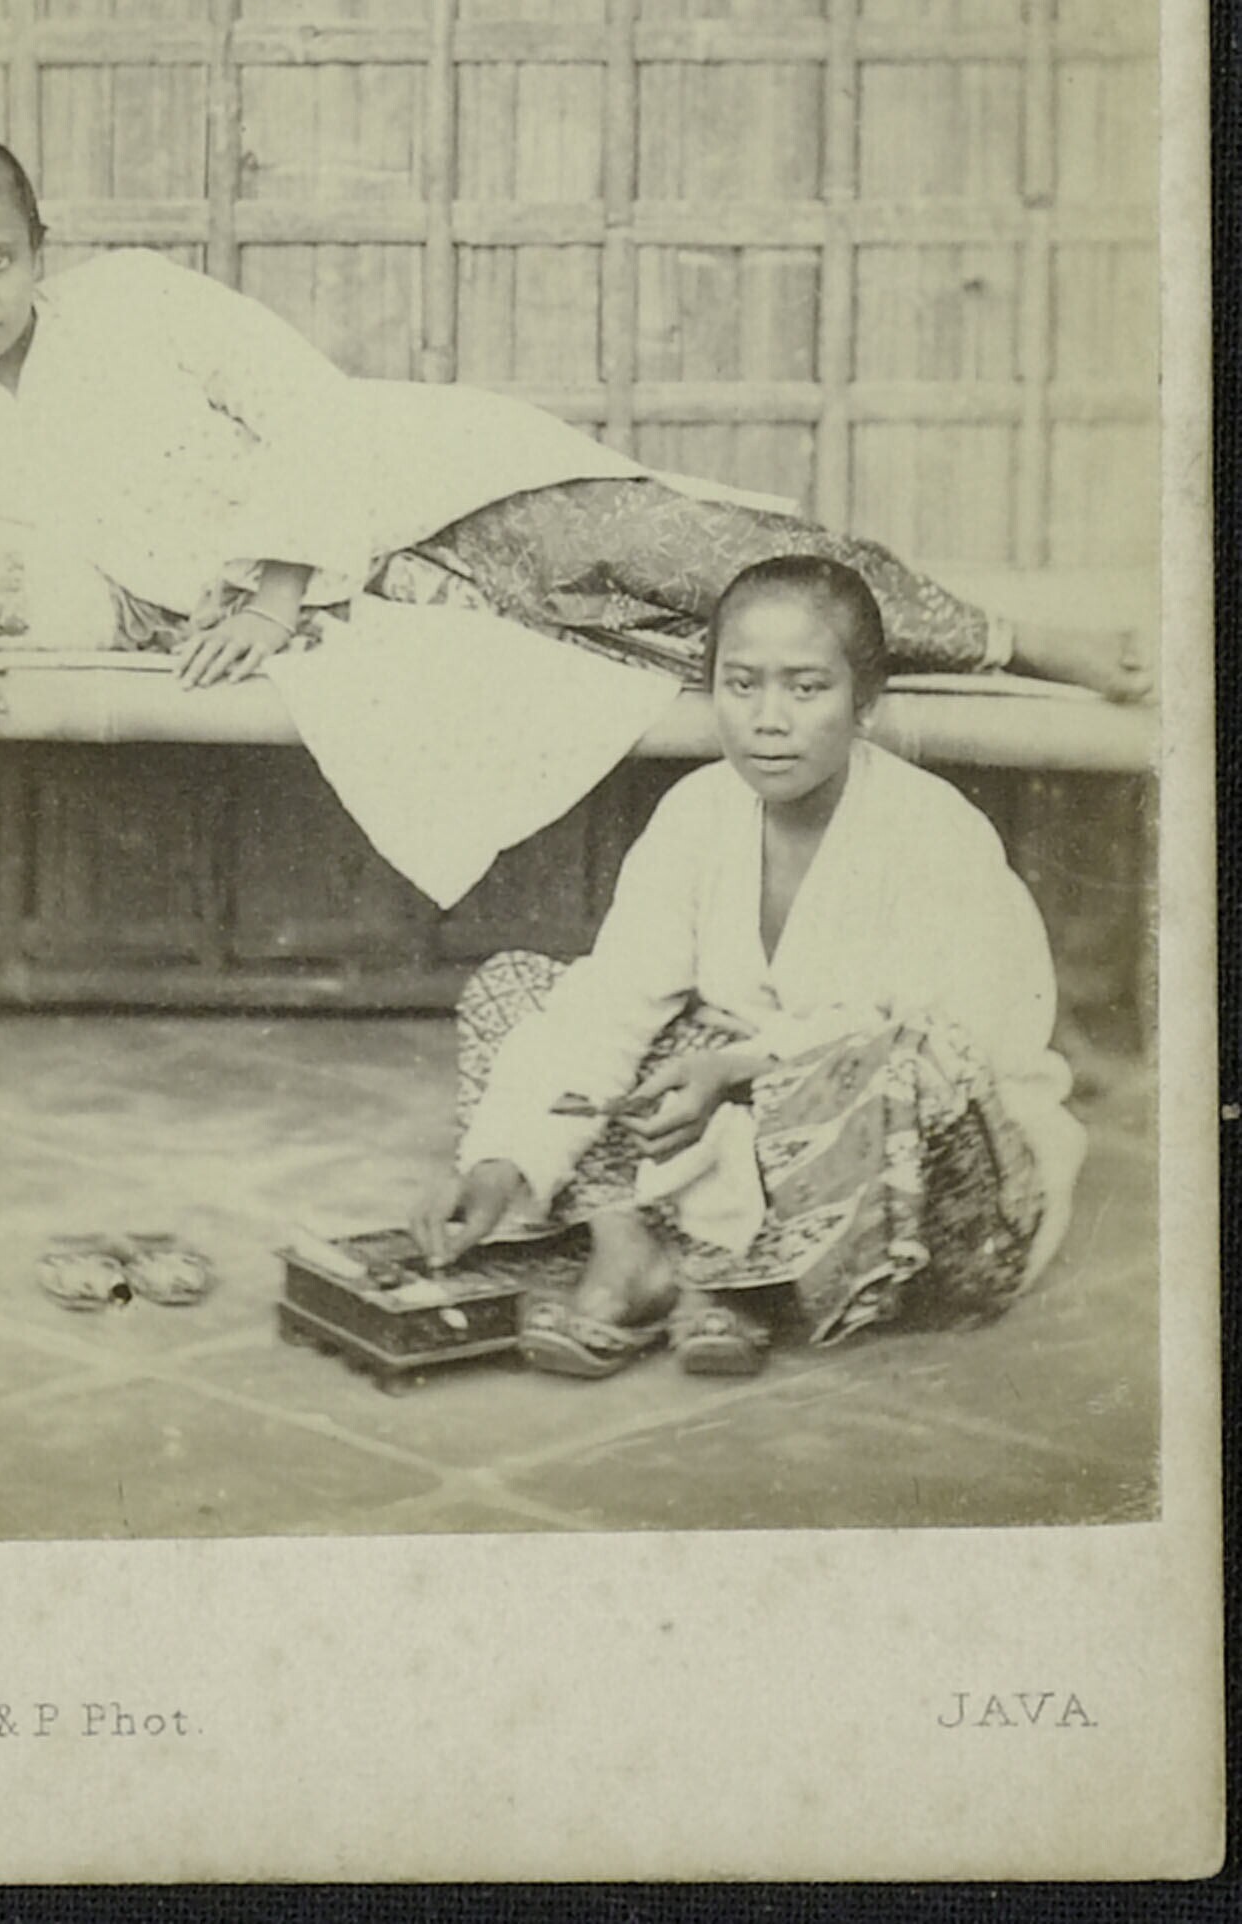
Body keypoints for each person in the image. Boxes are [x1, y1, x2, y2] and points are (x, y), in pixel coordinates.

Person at [0, 131, 1148, 739]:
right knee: (651, 651)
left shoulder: (135, 300)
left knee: (683, 554)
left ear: (41, 248)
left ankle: (1017, 641)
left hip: (407, 501)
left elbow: (310, 407)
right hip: (336, 609)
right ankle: (947, 652)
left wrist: (278, 588)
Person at [409, 555, 1086, 1379]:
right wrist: (500, 1161)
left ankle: (734, 1280)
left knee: (892, 1061)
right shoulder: (697, 814)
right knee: (521, 990)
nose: (770, 720)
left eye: (807, 688)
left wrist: (739, 1073)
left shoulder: (932, 829)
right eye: (742, 685)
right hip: (758, 1132)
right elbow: (612, 1003)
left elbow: (944, 1046)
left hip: (938, 1204)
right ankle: (634, 1254)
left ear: (865, 701)